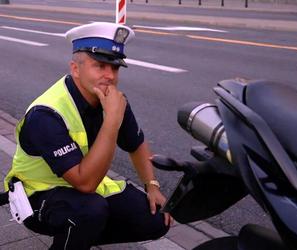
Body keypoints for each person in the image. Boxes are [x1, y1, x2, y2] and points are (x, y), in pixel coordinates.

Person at [4, 22, 172, 249]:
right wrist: (112, 120)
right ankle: (75, 235)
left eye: (115, 68)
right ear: (75, 69)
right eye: (100, 66)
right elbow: (85, 183)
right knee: (89, 211)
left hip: (82, 190)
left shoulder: (110, 100)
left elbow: (136, 143)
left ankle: (77, 236)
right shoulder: (46, 114)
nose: (109, 76)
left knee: (156, 219)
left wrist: (152, 185)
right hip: (38, 195)